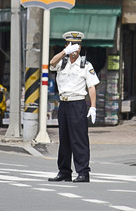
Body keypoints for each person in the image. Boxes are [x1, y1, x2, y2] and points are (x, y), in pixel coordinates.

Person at [48, 31, 100, 183]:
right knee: (64, 140)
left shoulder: (85, 64)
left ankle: (83, 172)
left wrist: (93, 107)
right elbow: (51, 63)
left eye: (77, 45)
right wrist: (64, 52)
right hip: (63, 104)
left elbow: (91, 87)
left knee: (79, 139)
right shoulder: (61, 62)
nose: (74, 48)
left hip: (78, 104)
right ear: (67, 45)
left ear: (80, 47)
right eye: (71, 45)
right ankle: (64, 171)